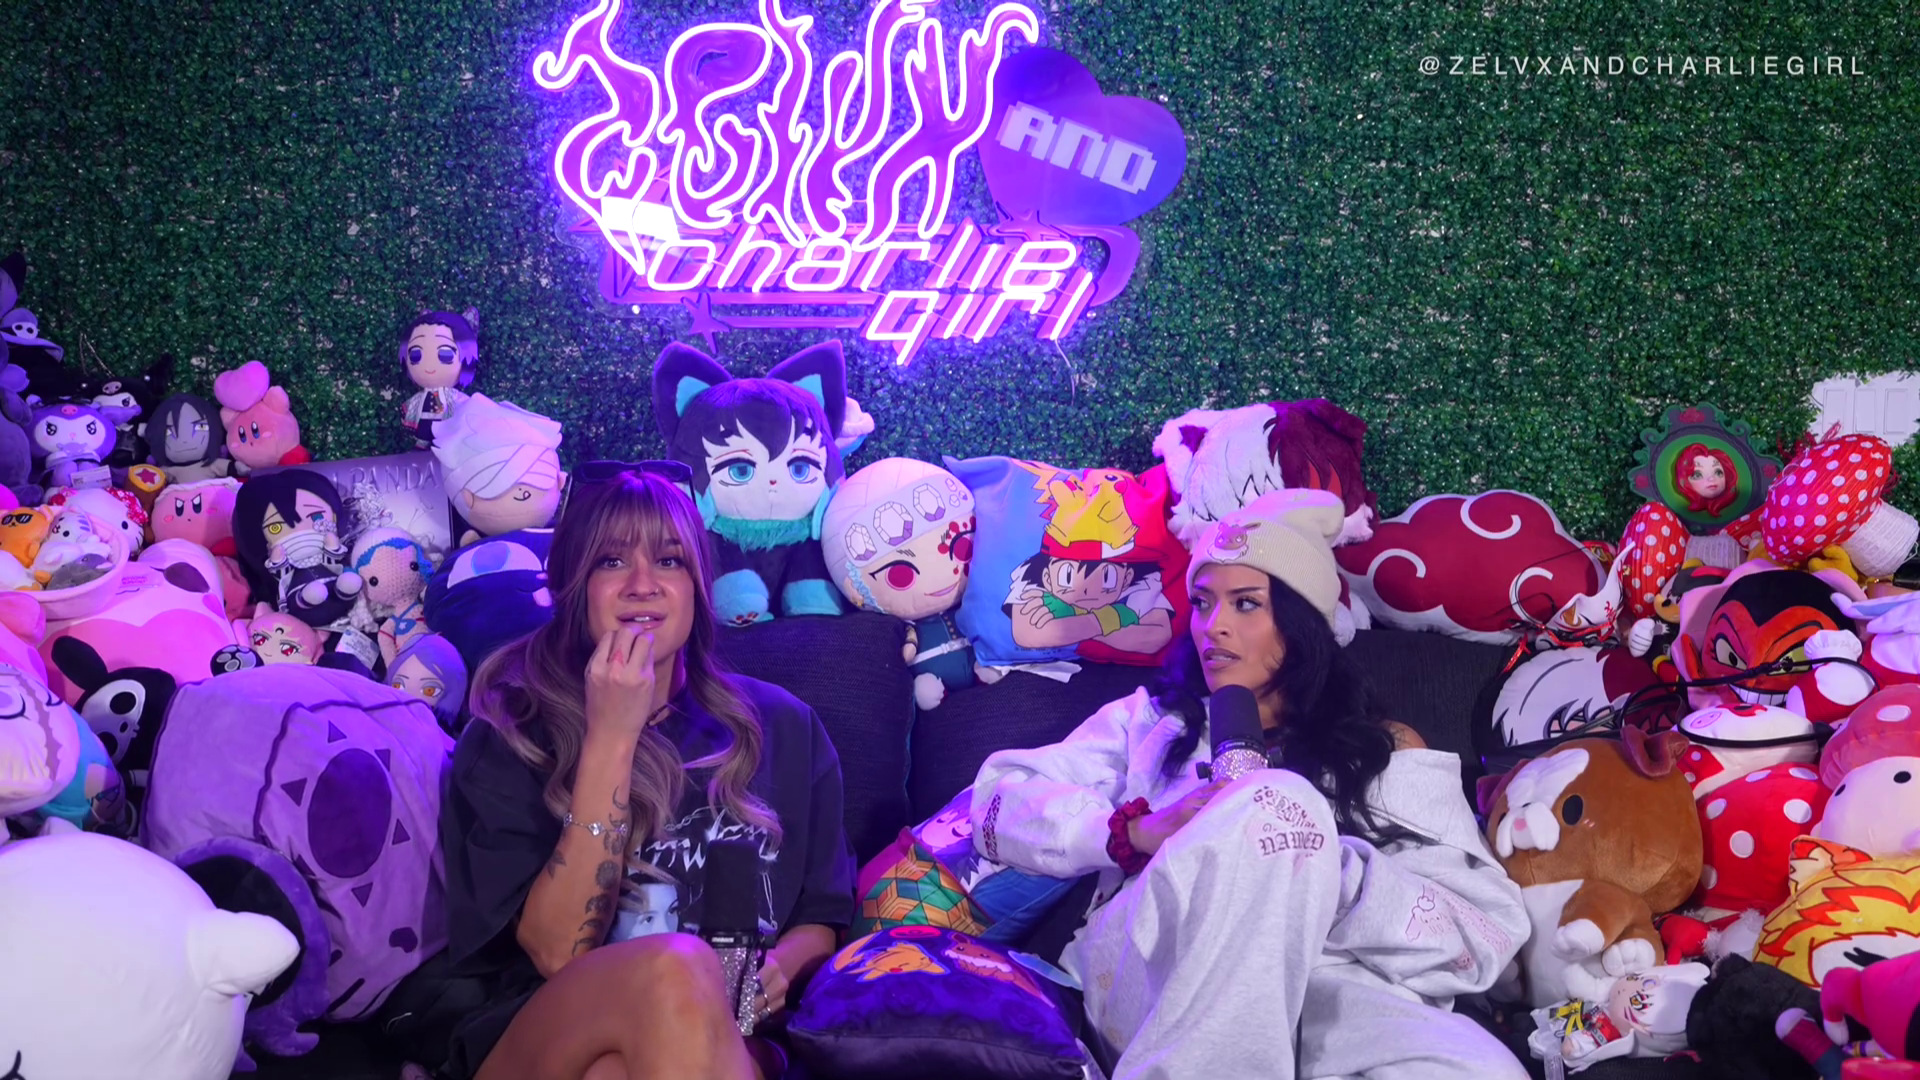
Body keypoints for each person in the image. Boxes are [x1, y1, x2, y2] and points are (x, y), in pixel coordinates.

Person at [970, 488, 1531, 1079]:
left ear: (1302, 622)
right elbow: (996, 803)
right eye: (1202, 603)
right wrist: (1133, 832)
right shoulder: (1153, 722)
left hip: (1327, 982)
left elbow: (1484, 936)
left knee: (1482, 1071)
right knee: (1278, 801)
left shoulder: (1384, 751)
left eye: (1245, 604)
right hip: (1159, 972)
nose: (1214, 628)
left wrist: (1328, 876)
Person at [435, 461, 855, 1080]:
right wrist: (611, 735)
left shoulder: (784, 727)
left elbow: (822, 916)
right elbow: (558, 954)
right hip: (543, 1039)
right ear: (574, 586)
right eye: (611, 562)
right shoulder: (510, 735)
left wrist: (779, 970)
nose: (642, 585)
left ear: (697, 584)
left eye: (668, 561)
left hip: (726, 1041)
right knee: (676, 968)